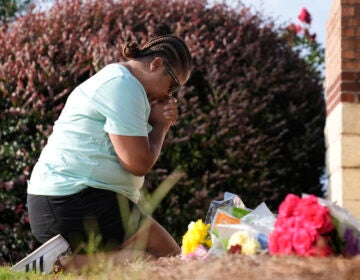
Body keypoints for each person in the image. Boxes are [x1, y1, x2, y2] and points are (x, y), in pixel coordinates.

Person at [11, 34, 192, 274]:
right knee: (168, 257)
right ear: (156, 64)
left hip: (62, 202)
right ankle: (57, 268)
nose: (169, 96)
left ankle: (57, 267)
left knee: (149, 260)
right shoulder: (124, 86)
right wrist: (161, 126)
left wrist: (152, 120)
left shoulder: (121, 82)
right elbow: (137, 163)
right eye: (173, 85)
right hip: (72, 199)